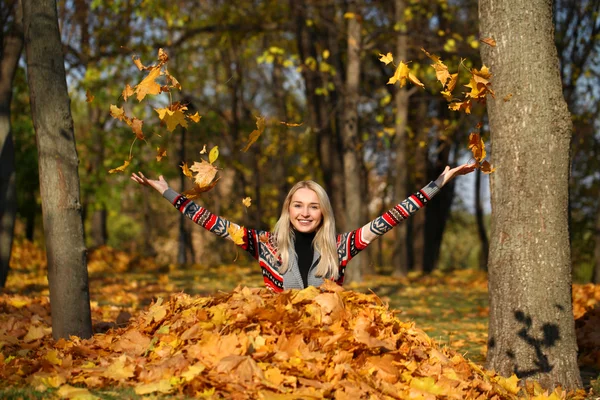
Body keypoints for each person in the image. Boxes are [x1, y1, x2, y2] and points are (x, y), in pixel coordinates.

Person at [131, 163, 476, 292]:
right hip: (276, 336)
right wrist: (167, 192)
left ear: (323, 213)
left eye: (313, 207)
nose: (305, 213)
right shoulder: (263, 243)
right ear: (288, 209)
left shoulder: (342, 246)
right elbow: (212, 223)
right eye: (298, 205)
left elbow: (392, 217)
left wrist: (439, 183)